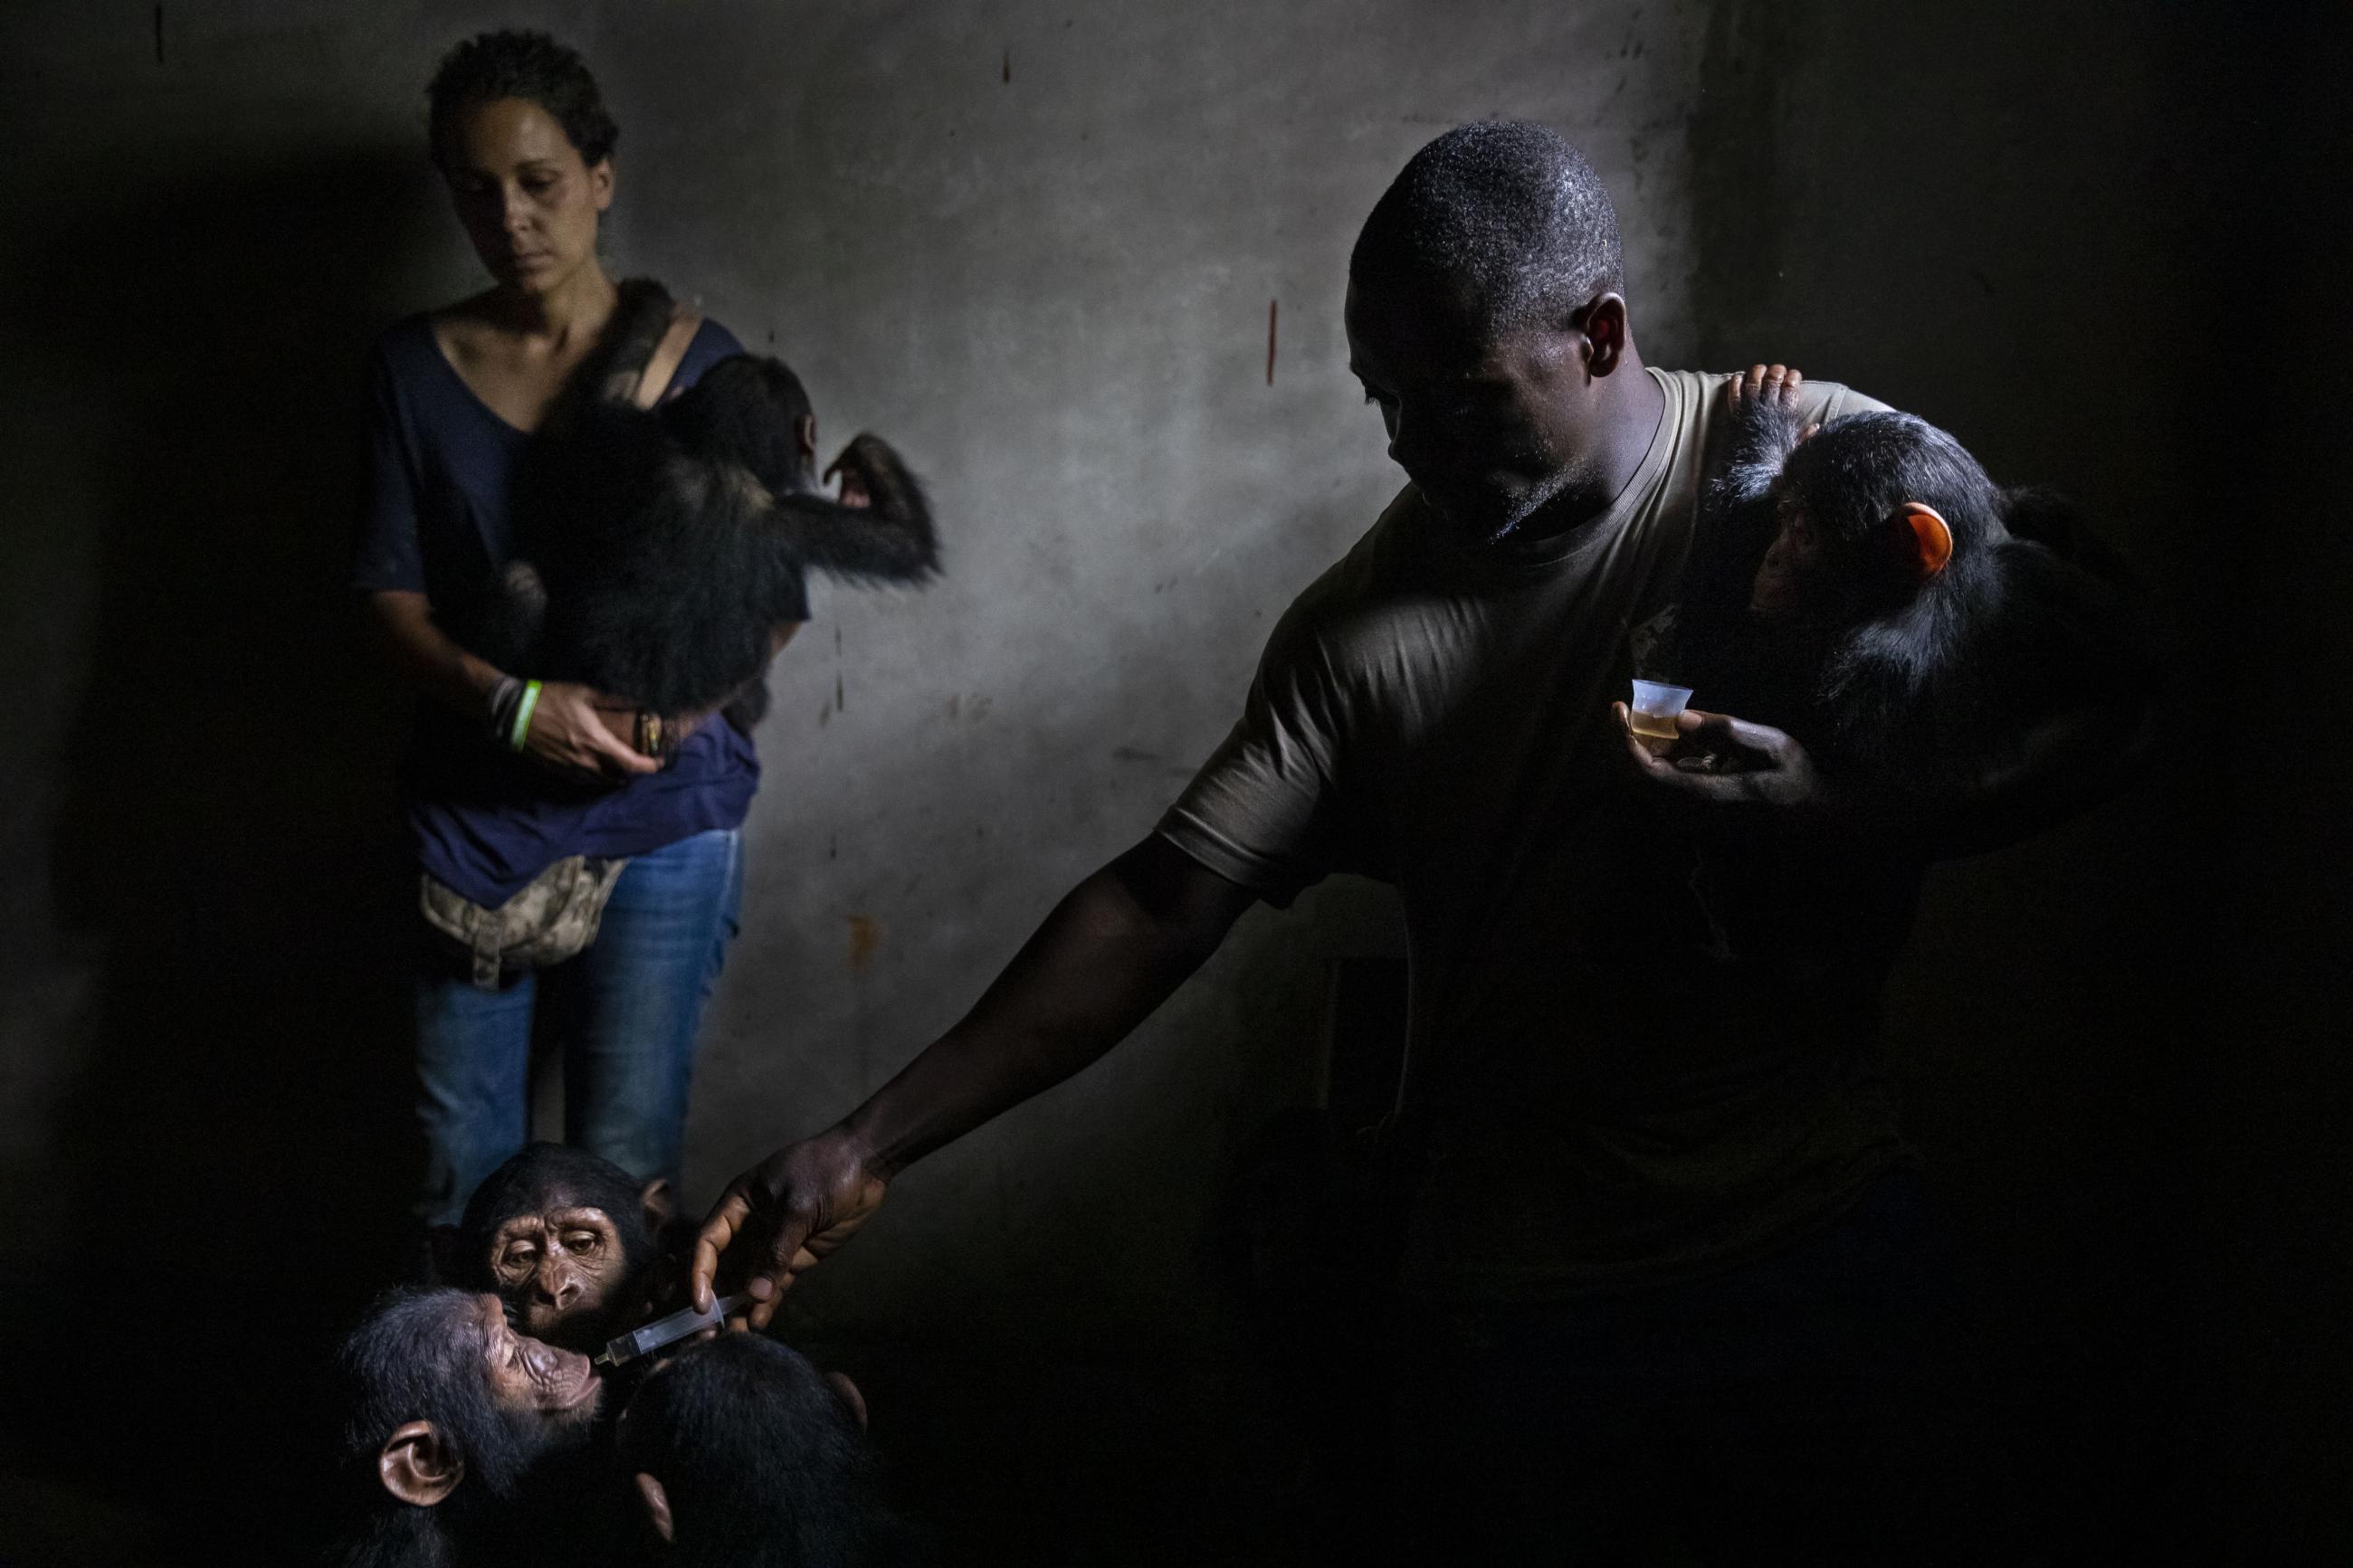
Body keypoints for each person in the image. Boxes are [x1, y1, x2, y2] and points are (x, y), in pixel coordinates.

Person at [691, 123, 2143, 1560]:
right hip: (1525, 1301)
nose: (1407, 440)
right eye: (1383, 399)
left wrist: (1826, 802)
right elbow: (1157, 905)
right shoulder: (1356, 634)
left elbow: (2101, 717)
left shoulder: (1813, 469)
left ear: (1597, 334)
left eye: (1452, 396)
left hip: (1821, 1229)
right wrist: (864, 1142)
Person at [356, 29, 791, 1226]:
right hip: (473, 820)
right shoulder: (412, 370)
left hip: (663, 817)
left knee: (621, 1180)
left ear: (600, 177)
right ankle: (469, 1367)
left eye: (539, 181)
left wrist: (666, 722)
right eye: (476, 189)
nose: (510, 218)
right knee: (461, 1190)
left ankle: (620, 1364)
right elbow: (387, 596)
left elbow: (771, 605)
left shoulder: (700, 368)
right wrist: (515, 706)